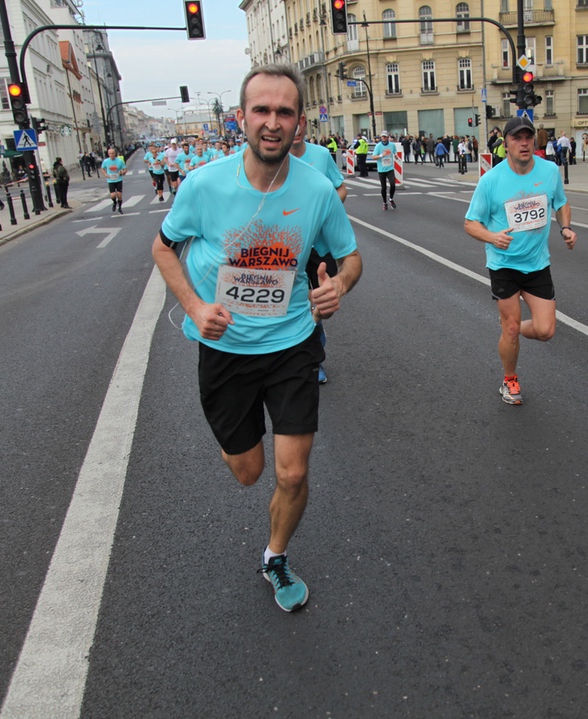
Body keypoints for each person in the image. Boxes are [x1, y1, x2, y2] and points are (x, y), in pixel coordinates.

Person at [151, 64, 362, 613]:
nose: (273, 122)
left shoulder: (317, 189)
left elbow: (351, 257)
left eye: (284, 112)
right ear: (241, 118)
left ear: (299, 122)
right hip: (225, 350)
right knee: (249, 473)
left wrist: (338, 285)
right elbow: (162, 248)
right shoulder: (204, 185)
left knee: (293, 472)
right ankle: (238, 445)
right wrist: (195, 307)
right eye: (262, 110)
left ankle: (275, 555)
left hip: (293, 343)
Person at [463, 116, 576, 406]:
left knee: (545, 331)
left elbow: (561, 202)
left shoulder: (549, 171)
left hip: (537, 263)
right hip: (504, 264)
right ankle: (509, 378)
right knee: (511, 327)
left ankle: (511, 330)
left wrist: (565, 227)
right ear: (506, 144)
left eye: (528, 137)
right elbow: (470, 223)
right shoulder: (491, 180)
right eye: (517, 138)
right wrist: (492, 237)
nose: (524, 143)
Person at [291, 127, 349, 385]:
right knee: (295, 301)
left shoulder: (321, 155)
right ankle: (311, 359)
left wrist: (325, 211)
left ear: (303, 122)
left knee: (321, 301)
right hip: (288, 246)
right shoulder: (271, 158)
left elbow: (341, 189)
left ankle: (314, 345)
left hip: (320, 246)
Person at [370, 130, 398, 210]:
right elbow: (373, 157)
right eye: (382, 136)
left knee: (393, 185)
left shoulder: (392, 145)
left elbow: (395, 151)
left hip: (390, 168)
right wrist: (382, 155)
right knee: (384, 187)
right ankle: (384, 202)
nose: (384, 138)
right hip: (381, 169)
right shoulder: (378, 146)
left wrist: (395, 155)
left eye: (385, 136)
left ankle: (391, 199)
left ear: (388, 137)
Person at [101, 146, 127, 215]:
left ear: (115, 153)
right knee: (113, 195)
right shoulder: (106, 161)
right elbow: (102, 168)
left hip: (118, 179)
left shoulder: (119, 161)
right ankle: (114, 202)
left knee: (119, 195)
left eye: (112, 153)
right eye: (110, 154)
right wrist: (105, 174)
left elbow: (125, 169)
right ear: (108, 154)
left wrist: (122, 172)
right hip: (110, 180)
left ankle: (120, 208)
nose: (111, 155)